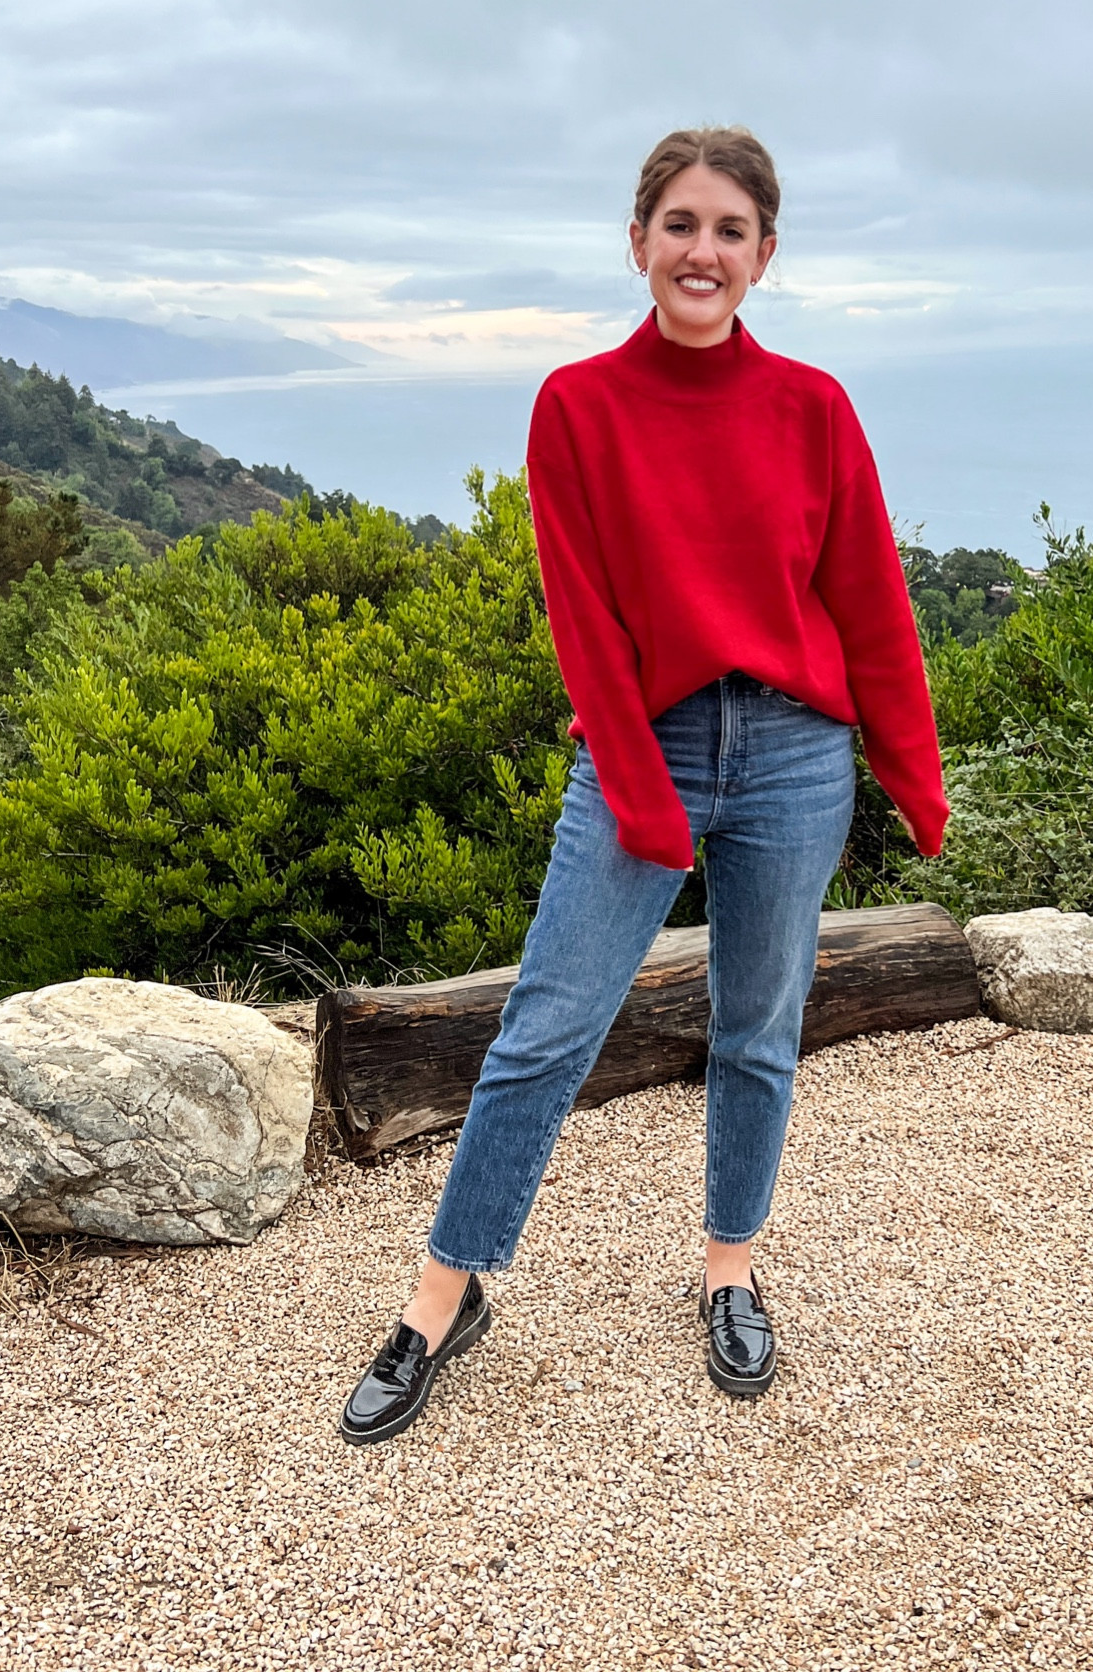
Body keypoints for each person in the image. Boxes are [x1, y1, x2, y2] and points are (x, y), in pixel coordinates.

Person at [339, 126, 947, 1447]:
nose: (704, 251)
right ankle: (443, 1296)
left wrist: (913, 772)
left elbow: (868, 605)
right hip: (647, 743)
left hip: (794, 756)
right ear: (638, 242)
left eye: (732, 230)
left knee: (756, 1028)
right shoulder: (577, 406)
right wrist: (639, 789)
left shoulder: (815, 409)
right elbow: (585, 622)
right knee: (547, 1030)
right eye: (681, 224)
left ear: (765, 256)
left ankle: (729, 1269)